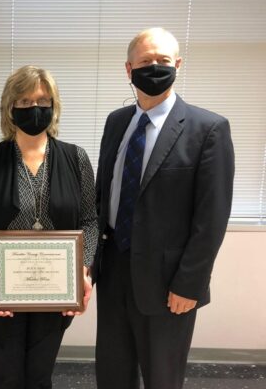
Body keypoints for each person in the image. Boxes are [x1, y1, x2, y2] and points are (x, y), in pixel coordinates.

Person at [93, 27, 235, 389]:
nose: (154, 67)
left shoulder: (209, 129)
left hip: (169, 282)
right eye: (145, 62)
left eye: (163, 61)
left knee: (162, 378)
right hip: (113, 273)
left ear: (178, 65)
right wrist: (88, 265)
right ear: (128, 69)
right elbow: (101, 196)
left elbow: (212, 217)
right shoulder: (116, 122)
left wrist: (190, 283)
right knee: (112, 373)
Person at [0, 65, 97, 389]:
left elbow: (90, 220)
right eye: (25, 101)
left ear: (54, 105)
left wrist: (84, 268)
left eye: (43, 100)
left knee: (39, 377)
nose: (35, 108)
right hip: (0, 294)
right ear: (10, 108)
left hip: (55, 293)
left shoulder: (77, 160)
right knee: (5, 377)